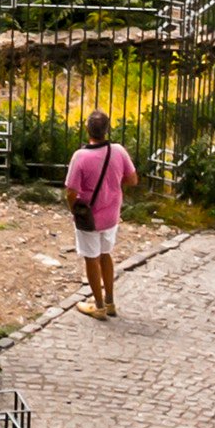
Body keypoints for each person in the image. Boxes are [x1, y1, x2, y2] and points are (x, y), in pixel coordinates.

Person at [60, 114, 136, 322]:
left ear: (87, 130)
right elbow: (132, 179)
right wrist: (113, 184)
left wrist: (74, 209)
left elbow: (70, 191)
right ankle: (110, 301)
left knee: (91, 259)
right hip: (112, 214)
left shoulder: (80, 157)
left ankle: (99, 306)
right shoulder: (118, 151)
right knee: (106, 254)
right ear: (107, 129)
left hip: (89, 217)